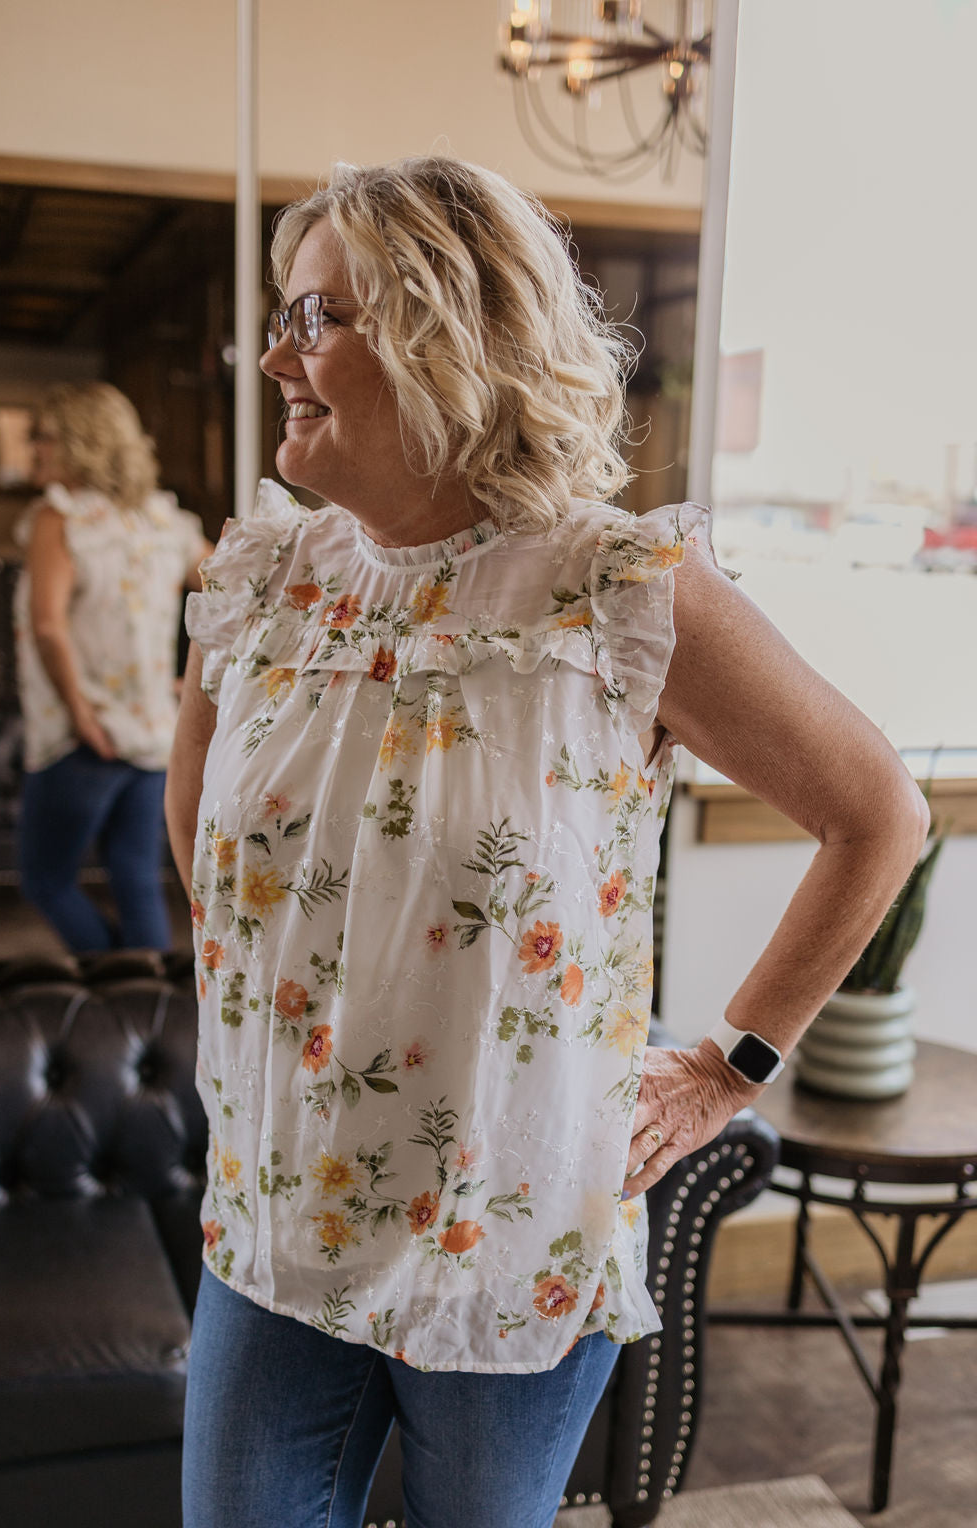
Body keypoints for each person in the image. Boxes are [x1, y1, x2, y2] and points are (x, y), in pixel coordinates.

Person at [165, 157, 928, 1528]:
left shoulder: (617, 587)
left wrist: (725, 1066)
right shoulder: (254, 580)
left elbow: (879, 813)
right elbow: (199, 828)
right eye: (284, 315)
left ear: (447, 334)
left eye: (320, 318)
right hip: (275, 1216)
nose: (278, 351)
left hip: (506, 1228)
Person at [16, 382, 210, 952]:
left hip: (85, 735)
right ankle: (148, 1012)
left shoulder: (60, 517)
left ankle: (113, 995)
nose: (34, 451)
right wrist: (190, 684)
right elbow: (236, 590)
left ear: (80, 443)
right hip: (153, 733)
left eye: (43, 438)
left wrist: (81, 718)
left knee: (45, 879)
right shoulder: (162, 521)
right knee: (135, 878)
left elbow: (48, 626)